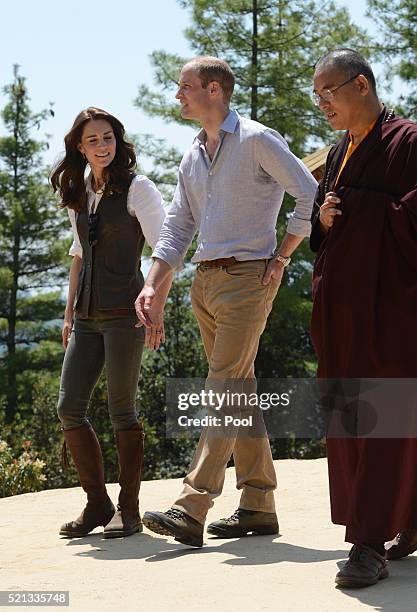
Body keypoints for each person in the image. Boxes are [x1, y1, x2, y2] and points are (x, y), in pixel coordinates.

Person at [135, 57, 317, 548]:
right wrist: (153, 283)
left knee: (221, 390)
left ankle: (192, 505)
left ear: (215, 90)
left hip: (248, 278)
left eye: (186, 87)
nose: (179, 95)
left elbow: (308, 192)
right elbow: (177, 227)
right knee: (239, 390)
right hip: (205, 282)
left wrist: (282, 257)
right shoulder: (193, 154)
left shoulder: (257, 139)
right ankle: (259, 505)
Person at [310, 49, 417, 588]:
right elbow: (326, 223)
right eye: (316, 94)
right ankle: (408, 522)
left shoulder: (410, 141)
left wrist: (355, 205)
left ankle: (370, 543)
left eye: (328, 91)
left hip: (390, 313)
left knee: (385, 418)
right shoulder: (339, 151)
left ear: (361, 85)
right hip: (342, 312)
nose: (321, 102)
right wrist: (324, 217)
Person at [51, 107, 168, 539]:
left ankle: (129, 510)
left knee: (123, 410)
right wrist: (68, 315)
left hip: (125, 315)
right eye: (93, 140)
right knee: (69, 407)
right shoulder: (79, 191)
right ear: (80, 148)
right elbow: (79, 253)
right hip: (85, 318)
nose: (102, 146)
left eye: (108, 138)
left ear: (117, 141)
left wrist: (155, 308)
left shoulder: (140, 189)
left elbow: (165, 249)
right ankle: (97, 503)